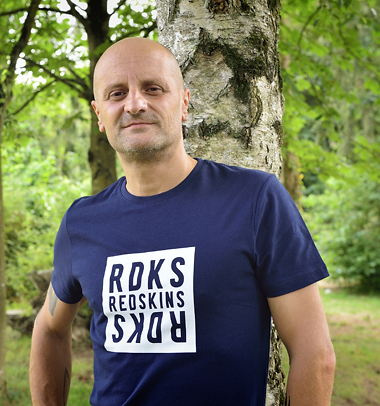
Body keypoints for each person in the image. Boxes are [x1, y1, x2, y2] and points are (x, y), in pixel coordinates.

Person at [29, 37, 335, 406]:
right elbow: (49, 328)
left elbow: (314, 354)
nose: (135, 103)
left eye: (153, 89)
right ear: (99, 115)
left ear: (184, 104)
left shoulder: (254, 199)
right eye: (116, 94)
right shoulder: (82, 222)